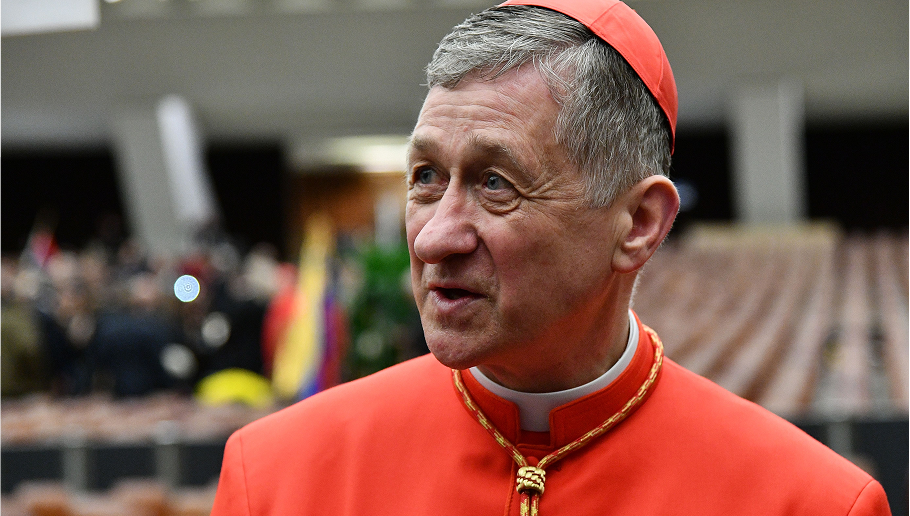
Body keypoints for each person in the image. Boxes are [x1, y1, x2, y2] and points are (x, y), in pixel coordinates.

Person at [211, 1, 891, 514]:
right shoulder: (275, 479)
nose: (432, 238)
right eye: (425, 177)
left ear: (638, 224)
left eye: (495, 183)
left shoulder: (807, 502)